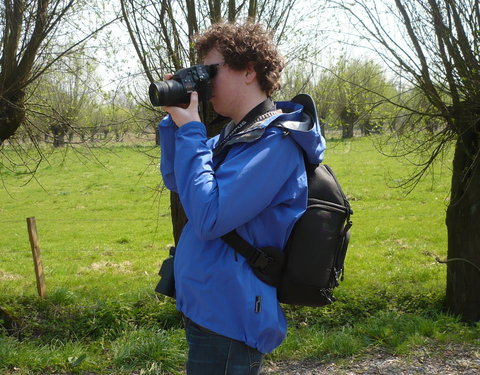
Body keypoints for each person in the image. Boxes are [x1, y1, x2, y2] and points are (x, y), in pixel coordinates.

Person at [158, 21, 326, 375]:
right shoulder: (236, 135)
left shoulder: (275, 144)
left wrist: (191, 131)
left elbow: (208, 218)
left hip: (230, 315)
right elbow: (179, 180)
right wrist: (175, 123)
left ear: (249, 71)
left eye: (211, 71)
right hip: (210, 304)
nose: (205, 82)